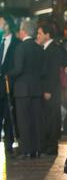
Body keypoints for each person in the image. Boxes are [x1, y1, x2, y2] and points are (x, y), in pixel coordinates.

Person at [7, 20, 45, 159]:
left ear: (23, 31)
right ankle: (37, 150)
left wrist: (6, 73)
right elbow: (43, 70)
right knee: (36, 120)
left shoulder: (21, 48)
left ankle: (26, 150)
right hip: (37, 88)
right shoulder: (39, 48)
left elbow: (18, 69)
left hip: (22, 89)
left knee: (24, 121)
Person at [36, 23, 66, 156]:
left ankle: (51, 148)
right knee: (47, 119)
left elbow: (54, 72)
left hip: (51, 91)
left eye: (40, 33)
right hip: (47, 90)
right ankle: (46, 146)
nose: (38, 36)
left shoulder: (54, 49)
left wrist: (48, 90)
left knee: (52, 119)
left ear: (47, 35)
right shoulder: (46, 48)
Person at [0, 15, 20, 155]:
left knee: (8, 116)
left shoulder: (17, 44)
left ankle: (9, 145)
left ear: (7, 25)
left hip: (8, 86)